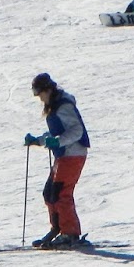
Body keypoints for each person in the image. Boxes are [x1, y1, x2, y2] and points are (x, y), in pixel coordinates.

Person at [23, 72, 90, 249]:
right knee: (50, 193)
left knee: (61, 194)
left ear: (48, 89)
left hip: (73, 155)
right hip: (64, 155)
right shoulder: (54, 105)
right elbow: (56, 133)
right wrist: (38, 140)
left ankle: (70, 233)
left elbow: (76, 131)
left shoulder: (63, 106)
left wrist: (58, 141)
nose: (40, 98)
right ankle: (58, 229)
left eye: (40, 94)